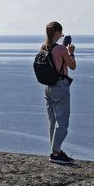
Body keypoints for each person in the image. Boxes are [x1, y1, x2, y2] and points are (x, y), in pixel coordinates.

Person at [41, 21, 76, 165]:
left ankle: (55, 150)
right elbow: (72, 66)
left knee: (52, 121)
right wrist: (71, 53)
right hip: (60, 86)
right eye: (60, 32)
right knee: (62, 122)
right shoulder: (61, 49)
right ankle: (56, 153)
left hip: (48, 87)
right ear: (56, 32)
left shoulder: (43, 47)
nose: (62, 34)